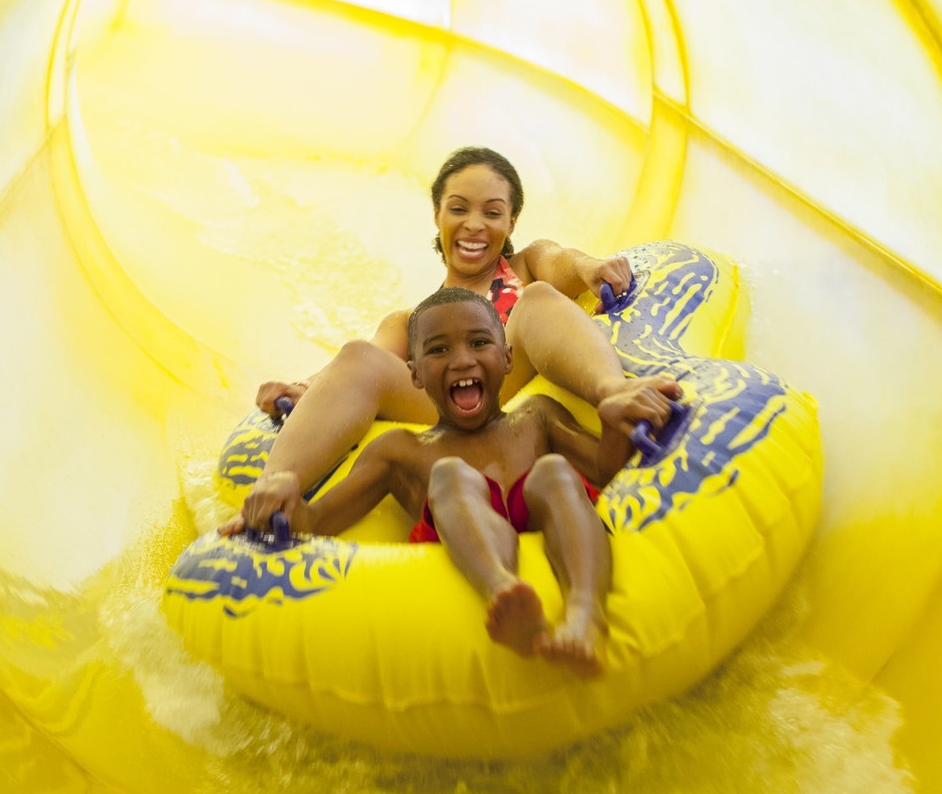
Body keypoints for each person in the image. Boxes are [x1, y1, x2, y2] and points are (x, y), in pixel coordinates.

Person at [224, 288, 679, 676]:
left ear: (507, 359)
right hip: (459, 532)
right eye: (438, 350)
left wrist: (615, 426)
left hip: (542, 513)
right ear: (415, 375)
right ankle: (503, 590)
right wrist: (285, 500)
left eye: (479, 343)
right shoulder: (402, 450)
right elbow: (319, 521)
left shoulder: (537, 417)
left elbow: (605, 477)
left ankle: (584, 615)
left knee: (555, 473)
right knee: (451, 476)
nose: (461, 360)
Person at [248, 146, 681, 506]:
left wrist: (592, 267)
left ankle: (614, 392)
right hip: (446, 404)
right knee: (359, 354)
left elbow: (562, 261)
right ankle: (276, 486)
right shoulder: (413, 323)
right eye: (459, 209)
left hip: (514, 373)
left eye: (492, 212)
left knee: (537, 298)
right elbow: (363, 363)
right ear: (437, 214)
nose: (474, 224)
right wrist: (302, 389)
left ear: (510, 223)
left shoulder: (525, 266)